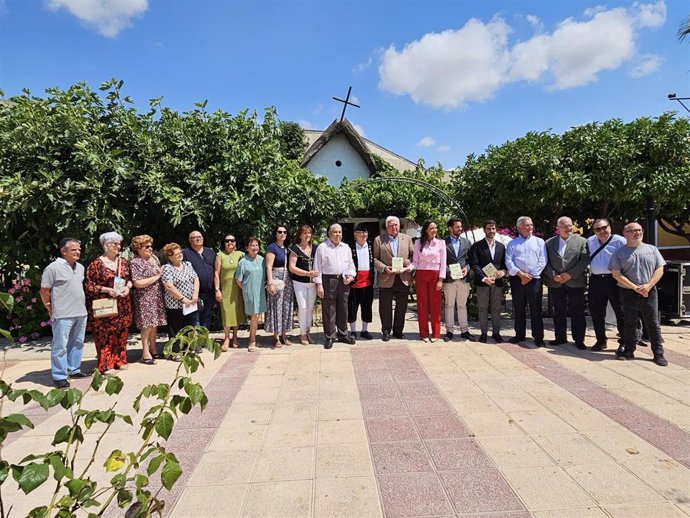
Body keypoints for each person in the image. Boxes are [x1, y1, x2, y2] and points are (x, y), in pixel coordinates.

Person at [609, 222, 668, 366]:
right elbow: (616, 274)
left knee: (653, 323)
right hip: (628, 292)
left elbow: (659, 269)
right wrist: (635, 287)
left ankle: (658, 353)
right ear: (626, 233)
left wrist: (648, 286)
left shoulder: (652, 250)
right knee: (629, 322)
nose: (638, 233)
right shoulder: (619, 253)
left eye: (640, 230)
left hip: (649, 291)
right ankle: (629, 350)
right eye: (633, 230)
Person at [40, 238, 90, 389]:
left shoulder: (80, 267)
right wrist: (49, 306)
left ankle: (73, 369)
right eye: (74, 249)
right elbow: (44, 290)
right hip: (62, 313)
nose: (77, 252)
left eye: (79, 249)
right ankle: (59, 376)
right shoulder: (53, 268)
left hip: (80, 311)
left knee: (77, 342)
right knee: (60, 345)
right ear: (63, 251)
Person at [85, 231, 133, 374]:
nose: (118, 246)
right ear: (106, 246)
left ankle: (120, 360)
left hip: (123, 304)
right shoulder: (96, 264)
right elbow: (89, 286)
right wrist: (106, 289)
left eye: (119, 244)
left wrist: (127, 288)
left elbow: (130, 279)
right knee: (105, 336)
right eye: (115, 244)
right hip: (105, 304)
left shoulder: (123, 262)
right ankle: (106, 365)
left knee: (122, 333)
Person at [544, 217, 590, 350]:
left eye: (570, 226)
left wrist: (569, 275)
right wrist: (553, 275)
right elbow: (544, 261)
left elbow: (584, 260)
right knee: (558, 311)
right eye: (565, 226)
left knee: (578, 312)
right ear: (558, 228)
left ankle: (579, 339)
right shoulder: (549, 243)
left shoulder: (582, 241)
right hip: (556, 282)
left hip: (575, 282)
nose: (569, 228)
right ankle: (560, 337)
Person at [505, 217, 547, 347]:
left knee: (536, 309)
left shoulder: (539, 242)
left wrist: (530, 275)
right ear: (519, 228)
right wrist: (520, 274)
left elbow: (543, 260)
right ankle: (519, 335)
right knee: (519, 308)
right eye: (527, 225)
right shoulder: (513, 243)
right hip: (518, 280)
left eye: (531, 225)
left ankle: (538, 337)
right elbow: (509, 261)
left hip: (534, 280)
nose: (530, 227)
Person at [314, 223, 356, 349]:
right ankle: (330, 336)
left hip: (343, 280)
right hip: (328, 280)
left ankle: (343, 334)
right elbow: (317, 267)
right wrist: (319, 285)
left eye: (339, 232)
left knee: (344, 308)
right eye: (335, 232)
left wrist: (351, 276)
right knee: (329, 308)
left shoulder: (346, 247)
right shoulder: (322, 247)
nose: (338, 234)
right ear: (329, 233)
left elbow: (351, 265)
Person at [587, 219, 626, 352]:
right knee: (596, 312)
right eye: (598, 229)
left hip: (615, 280)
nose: (602, 231)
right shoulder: (590, 241)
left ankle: (624, 342)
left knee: (620, 311)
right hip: (596, 280)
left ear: (610, 227)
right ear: (594, 231)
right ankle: (601, 340)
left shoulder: (620, 241)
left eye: (604, 228)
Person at [373, 216, 414, 341]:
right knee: (385, 306)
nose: (394, 227)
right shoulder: (379, 240)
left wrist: (409, 261)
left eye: (396, 225)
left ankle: (398, 331)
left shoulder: (407, 239)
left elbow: (414, 256)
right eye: (391, 225)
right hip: (386, 277)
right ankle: (386, 331)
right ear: (386, 227)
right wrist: (384, 268)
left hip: (403, 276)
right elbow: (374, 259)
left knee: (401, 307)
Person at [130, 235, 167, 365]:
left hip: (157, 296)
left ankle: (153, 348)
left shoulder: (154, 259)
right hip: (144, 297)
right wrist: (157, 276)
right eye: (147, 246)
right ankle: (145, 352)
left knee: (154, 323)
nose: (150, 248)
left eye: (151, 246)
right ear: (138, 248)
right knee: (146, 325)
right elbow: (138, 283)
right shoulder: (136, 262)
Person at [469, 220, 507, 343]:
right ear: (484, 230)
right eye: (489, 229)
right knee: (482, 308)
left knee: (496, 308)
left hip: (497, 282)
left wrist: (503, 272)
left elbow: (504, 265)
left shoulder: (501, 247)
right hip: (483, 282)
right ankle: (484, 333)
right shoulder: (477, 246)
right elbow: (475, 265)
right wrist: (484, 278)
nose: (492, 231)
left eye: (493, 229)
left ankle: (496, 333)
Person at [412, 221, 447, 342]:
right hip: (421, 274)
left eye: (436, 228)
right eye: (432, 228)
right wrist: (406, 268)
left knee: (435, 305)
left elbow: (443, 263)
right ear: (426, 230)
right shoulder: (418, 242)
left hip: (435, 275)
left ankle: (436, 333)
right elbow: (415, 262)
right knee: (422, 305)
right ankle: (424, 333)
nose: (434, 230)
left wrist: (441, 280)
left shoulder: (441, 243)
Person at [443, 218, 475, 342]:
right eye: (457, 227)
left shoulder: (467, 242)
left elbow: (470, 260)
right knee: (449, 305)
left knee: (462, 305)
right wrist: (449, 270)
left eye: (461, 227)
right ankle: (449, 331)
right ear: (450, 228)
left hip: (463, 279)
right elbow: (441, 261)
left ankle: (464, 331)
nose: (460, 229)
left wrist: (467, 268)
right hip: (449, 279)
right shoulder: (443, 243)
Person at [161, 243, 199, 343]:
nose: (180, 255)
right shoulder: (167, 268)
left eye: (180, 252)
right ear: (170, 256)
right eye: (176, 254)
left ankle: (187, 350)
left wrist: (195, 294)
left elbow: (196, 279)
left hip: (190, 304)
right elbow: (169, 286)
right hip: (175, 305)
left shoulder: (187, 264)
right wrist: (183, 299)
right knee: (176, 329)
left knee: (189, 328)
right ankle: (175, 351)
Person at [214, 233, 246, 351]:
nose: (230, 243)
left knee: (236, 312)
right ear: (224, 243)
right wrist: (217, 290)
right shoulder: (220, 255)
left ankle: (235, 337)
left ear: (235, 243)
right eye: (227, 241)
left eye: (232, 241)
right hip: (226, 289)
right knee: (227, 313)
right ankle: (226, 338)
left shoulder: (240, 254)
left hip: (238, 288)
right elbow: (216, 273)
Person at [235, 237, 266, 352]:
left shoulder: (262, 260)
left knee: (256, 316)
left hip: (261, 292)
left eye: (256, 245)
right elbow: (238, 280)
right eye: (252, 245)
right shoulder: (243, 262)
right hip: (250, 292)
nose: (255, 247)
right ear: (247, 248)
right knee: (254, 315)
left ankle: (254, 337)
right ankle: (252, 340)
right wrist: (246, 290)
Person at [265, 225, 294, 347]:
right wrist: (270, 283)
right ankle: (276, 337)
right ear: (275, 234)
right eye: (279, 232)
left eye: (284, 232)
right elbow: (268, 267)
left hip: (286, 279)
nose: (282, 234)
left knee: (286, 306)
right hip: (276, 278)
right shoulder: (272, 247)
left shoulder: (287, 249)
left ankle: (284, 334)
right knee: (276, 306)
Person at [289, 224, 318, 345]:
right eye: (305, 233)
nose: (307, 235)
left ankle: (307, 331)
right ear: (300, 235)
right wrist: (307, 273)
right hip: (299, 282)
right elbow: (292, 267)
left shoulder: (315, 248)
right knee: (303, 307)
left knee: (310, 309)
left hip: (313, 284)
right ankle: (302, 334)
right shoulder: (295, 248)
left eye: (309, 233)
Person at [182, 231, 216, 330]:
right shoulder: (185, 253)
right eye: (194, 237)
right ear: (190, 240)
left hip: (209, 292)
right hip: (193, 293)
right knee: (194, 319)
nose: (198, 239)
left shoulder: (210, 252)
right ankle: (195, 342)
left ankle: (204, 339)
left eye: (199, 237)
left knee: (207, 317)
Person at [348, 223, 375, 340]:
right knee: (352, 308)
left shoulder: (371, 246)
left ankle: (364, 330)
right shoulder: (350, 247)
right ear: (355, 234)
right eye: (361, 232)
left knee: (367, 307)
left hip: (368, 282)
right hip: (354, 283)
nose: (363, 235)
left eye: (365, 233)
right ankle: (353, 330)